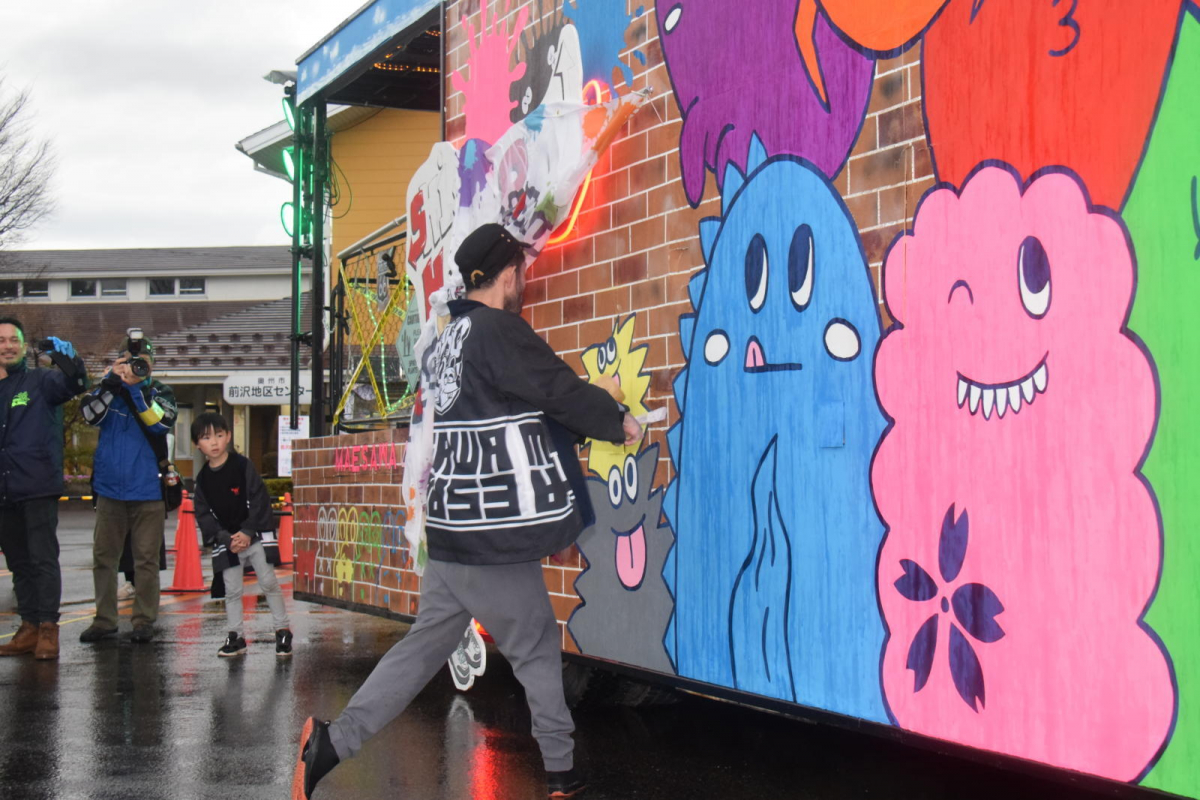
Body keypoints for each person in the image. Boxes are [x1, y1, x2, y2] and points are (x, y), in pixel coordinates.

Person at [293, 223, 642, 799]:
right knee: (533, 645)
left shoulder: (448, 339)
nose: (522, 282)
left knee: (421, 648)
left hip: (452, 525)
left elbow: (512, 412)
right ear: (508, 274)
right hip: (488, 533)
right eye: (521, 273)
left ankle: (332, 743)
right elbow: (553, 389)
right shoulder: (499, 331)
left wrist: (590, 403)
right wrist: (615, 419)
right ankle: (564, 777)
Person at [78, 331, 177, 644]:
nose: (136, 367)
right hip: (109, 490)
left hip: (148, 491)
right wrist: (111, 382)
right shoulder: (108, 390)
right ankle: (104, 620)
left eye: (142, 363)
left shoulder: (161, 392)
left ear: (152, 366)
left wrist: (136, 390)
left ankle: (143, 620)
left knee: (146, 560)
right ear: (118, 361)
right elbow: (88, 416)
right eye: (129, 361)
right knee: (103, 557)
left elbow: (159, 423)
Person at [0, 317, 87, 660]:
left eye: (13, 339)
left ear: (22, 345)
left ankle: (49, 628)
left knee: (42, 559)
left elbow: (75, 383)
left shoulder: (40, 381)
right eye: (1, 339)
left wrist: (68, 360)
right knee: (18, 562)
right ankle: (29, 626)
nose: (7, 345)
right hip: (3, 489)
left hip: (35, 484)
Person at [190, 411, 293, 658]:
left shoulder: (242, 466)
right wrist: (226, 538)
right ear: (197, 444)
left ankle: (282, 630)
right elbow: (203, 514)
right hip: (229, 541)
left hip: (254, 535)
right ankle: (235, 636)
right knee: (232, 590)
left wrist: (247, 532)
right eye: (206, 438)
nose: (214, 442)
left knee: (268, 581)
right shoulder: (202, 480)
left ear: (228, 437)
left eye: (219, 435)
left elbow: (259, 499)